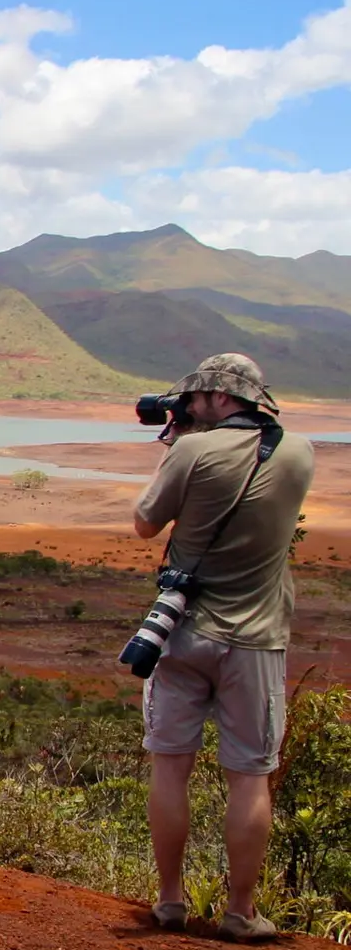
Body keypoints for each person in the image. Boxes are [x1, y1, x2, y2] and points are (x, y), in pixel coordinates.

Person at [130, 353, 314, 942]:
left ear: (218, 397)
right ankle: (240, 911)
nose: (188, 405)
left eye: (196, 398)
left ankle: (169, 901)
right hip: (258, 642)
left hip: (182, 635)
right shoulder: (299, 453)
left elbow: (144, 523)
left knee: (170, 764)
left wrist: (177, 442)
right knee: (249, 777)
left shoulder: (191, 451)